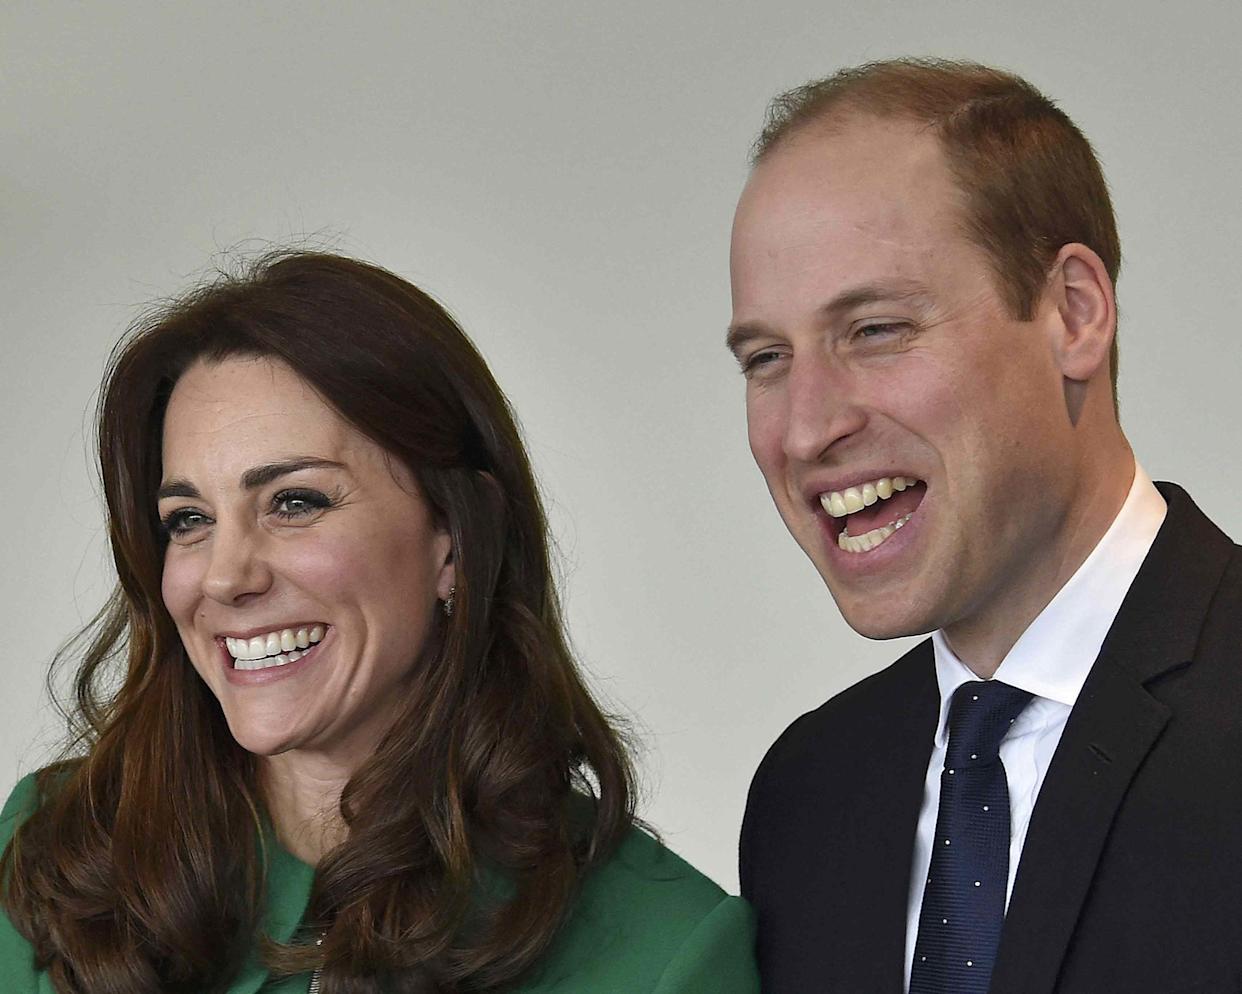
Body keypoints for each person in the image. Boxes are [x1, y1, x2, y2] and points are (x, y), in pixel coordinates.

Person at [0, 251, 759, 994]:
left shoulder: (667, 954)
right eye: (189, 519)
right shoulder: (58, 855)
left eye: (295, 502)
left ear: (458, 539)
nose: (226, 576)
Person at [728, 58, 1242, 993]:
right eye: (767, 357)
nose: (806, 429)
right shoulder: (807, 795)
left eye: (875, 330)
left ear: (1073, 315)